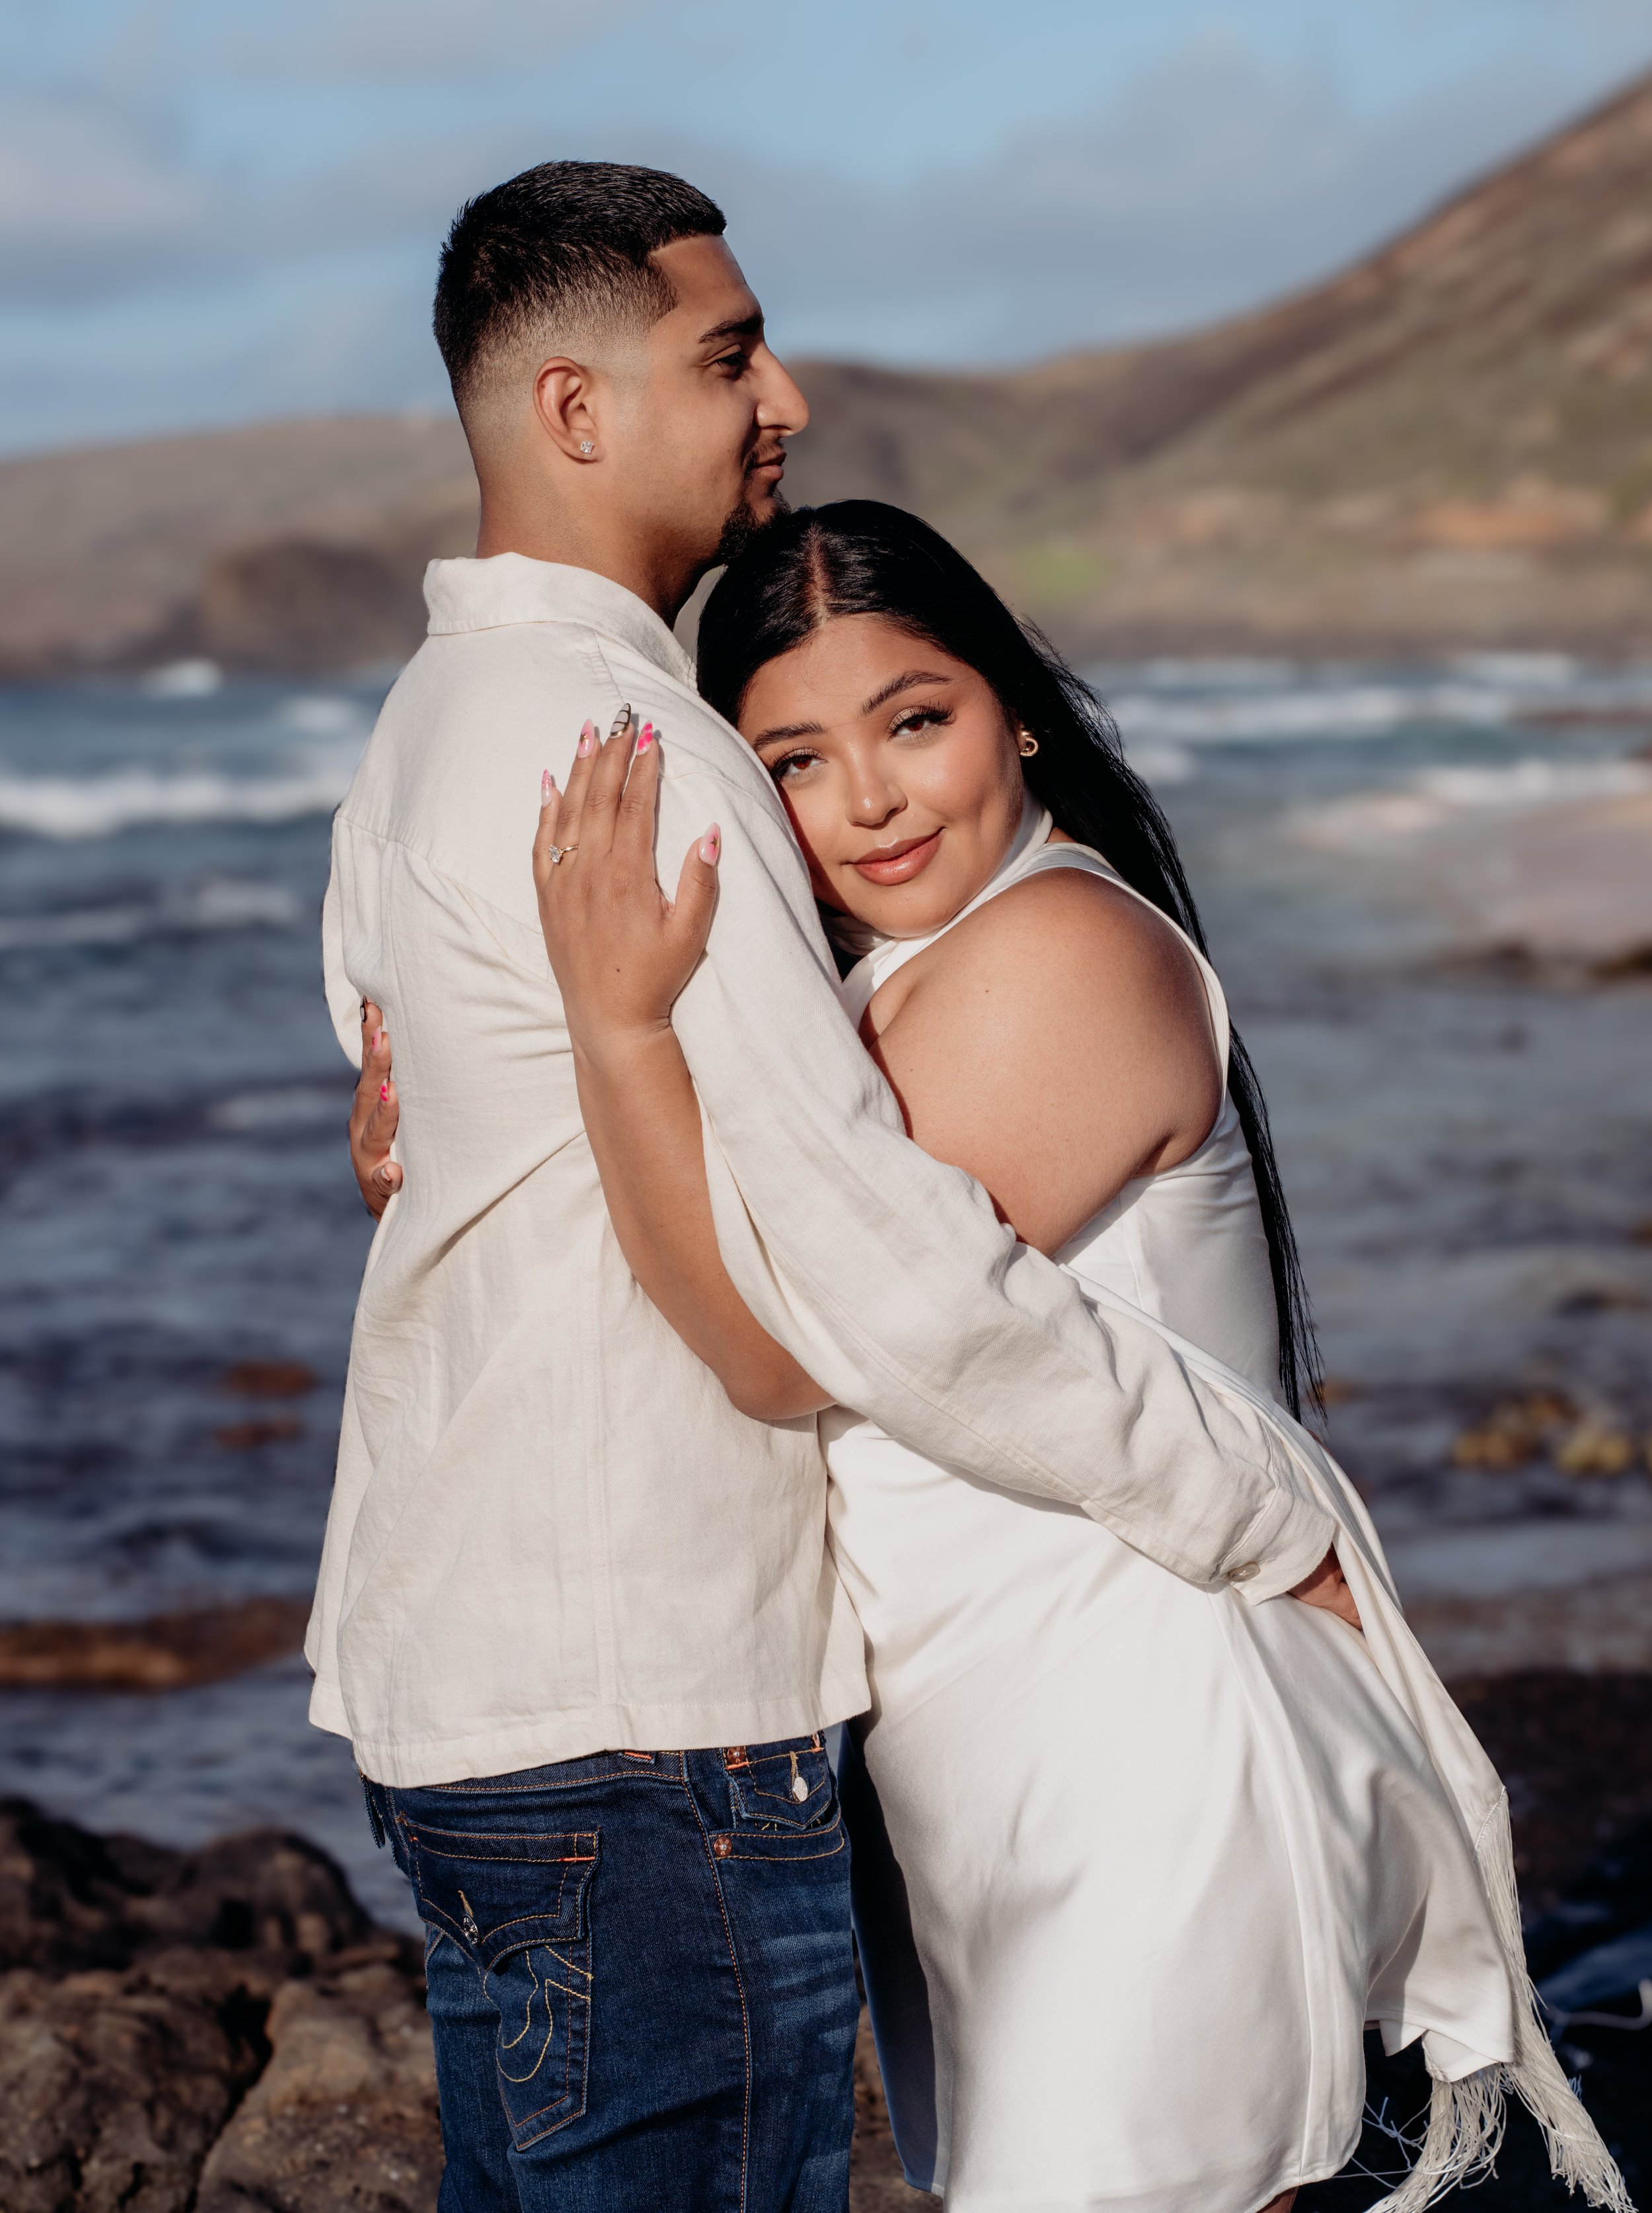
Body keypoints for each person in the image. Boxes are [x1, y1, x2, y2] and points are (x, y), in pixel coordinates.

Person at [318, 157, 1383, 2212]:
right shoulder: (635, 753)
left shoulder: (437, 720)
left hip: (913, 1724)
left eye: (914, 719)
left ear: (1016, 716)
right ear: (574, 410)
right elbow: (861, 1305)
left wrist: (474, 1090)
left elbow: (808, 1288)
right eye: (726, 355)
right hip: (672, 1717)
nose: (780, 392)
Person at [508, 502, 1630, 2213]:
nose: (869, 801)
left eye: (915, 720)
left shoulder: (1055, 955)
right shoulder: (880, 988)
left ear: (1015, 708)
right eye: (794, 760)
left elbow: (765, 1343)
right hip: (1005, 1754)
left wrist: (615, 1026)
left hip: (1147, 1742)